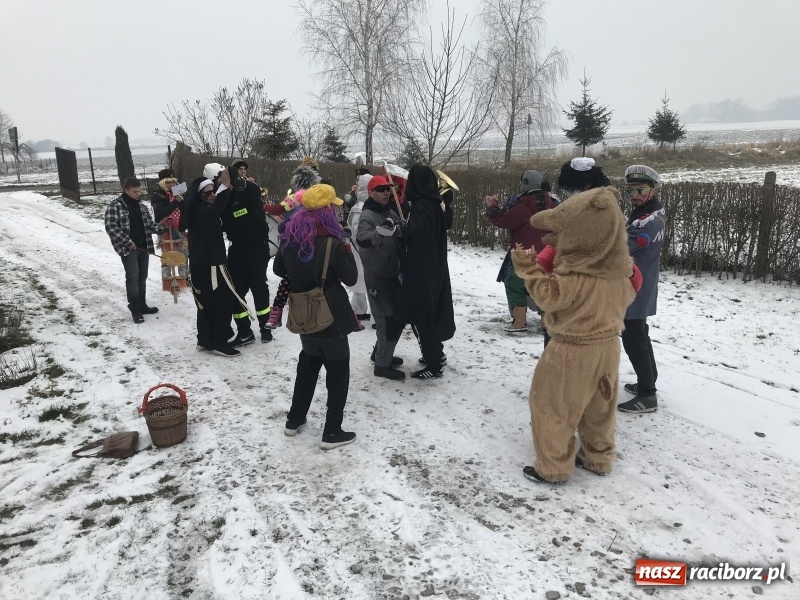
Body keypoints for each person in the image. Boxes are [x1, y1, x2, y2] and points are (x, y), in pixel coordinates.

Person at [511, 187, 636, 484]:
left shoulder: (574, 276)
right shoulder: (621, 271)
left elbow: (547, 298)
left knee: (551, 405)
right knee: (599, 408)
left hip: (572, 350)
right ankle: (598, 457)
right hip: (609, 347)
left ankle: (553, 467)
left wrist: (528, 268)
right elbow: (630, 295)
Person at [273, 184, 359, 450]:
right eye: (332, 206)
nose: (335, 209)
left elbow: (278, 269)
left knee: (308, 366)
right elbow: (352, 278)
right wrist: (346, 248)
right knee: (338, 372)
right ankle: (332, 432)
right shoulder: (332, 243)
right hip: (331, 315)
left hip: (304, 314)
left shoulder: (290, 238)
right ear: (326, 210)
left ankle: (294, 420)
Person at [395, 165, 456, 379]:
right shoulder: (434, 203)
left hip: (421, 267)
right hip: (435, 264)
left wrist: (399, 231)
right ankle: (436, 355)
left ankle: (434, 364)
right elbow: (443, 225)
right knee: (429, 310)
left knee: (422, 314)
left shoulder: (421, 205)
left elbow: (417, 231)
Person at [617, 165, 666, 414]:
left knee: (633, 338)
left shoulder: (647, 221)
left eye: (640, 190)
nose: (634, 195)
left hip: (635, 287)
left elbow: (619, 248)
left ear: (654, 189)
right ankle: (648, 381)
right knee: (640, 334)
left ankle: (648, 395)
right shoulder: (648, 212)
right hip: (640, 283)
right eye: (631, 191)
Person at [183, 165, 245, 357]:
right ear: (199, 195)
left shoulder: (198, 208)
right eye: (208, 193)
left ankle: (205, 339)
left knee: (206, 302)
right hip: (211, 264)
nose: (212, 195)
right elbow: (216, 210)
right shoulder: (201, 211)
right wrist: (225, 186)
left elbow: (219, 206)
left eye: (213, 192)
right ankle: (219, 341)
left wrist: (227, 188)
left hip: (202, 262)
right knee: (222, 302)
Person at [486, 170, 558, 333]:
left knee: (513, 284)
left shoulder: (521, 206)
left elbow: (500, 219)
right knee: (545, 287)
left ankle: (519, 321)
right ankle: (546, 323)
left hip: (524, 258)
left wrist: (492, 207)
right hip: (549, 258)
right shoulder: (554, 204)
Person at [356, 175, 406, 381]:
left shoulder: (388, 211)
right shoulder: (368, 215)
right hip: (377, 276)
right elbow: (362, 239)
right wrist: (380, 232)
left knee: (394, 317)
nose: (386, 193)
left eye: (388, 189)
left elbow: (398, 230)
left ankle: (380, 354)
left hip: (390, 272)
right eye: (381, 190)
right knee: (387, 320)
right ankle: (382, 366)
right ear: (371, 193)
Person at [263, 162, 322, 329]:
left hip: (295, 240)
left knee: (289, 277)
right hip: (317, 239)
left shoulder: (296, 197)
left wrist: (262, 206)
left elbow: (276, 209)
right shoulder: (320, 195)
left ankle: (276, 311)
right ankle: (351, 316)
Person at [221, 159, 273, 345]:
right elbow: (223, 220)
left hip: (256, 247)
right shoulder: (224, 195)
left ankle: (265, 327)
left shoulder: (250, 190)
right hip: (237, 249)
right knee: (235, 291)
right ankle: (244, 331)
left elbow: (248, 212)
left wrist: (232, 214)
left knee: (259, 287)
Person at [104, 177, 160, 323]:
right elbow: (111, 227)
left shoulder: (142, 207)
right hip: (128, 250)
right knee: (133, 278)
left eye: (139, 191)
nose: (138, 194)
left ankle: (142, 305)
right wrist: (127, 242)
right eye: (134, 191)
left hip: (144, 247)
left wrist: (164, 227)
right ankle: (135, 309)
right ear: (126, 190)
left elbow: (150, 225)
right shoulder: (115, 206)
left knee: (142, 278)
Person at [150, 170, 189, 296]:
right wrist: (176, 201)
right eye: (168, 182)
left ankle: (184, 278)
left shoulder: (177, 191)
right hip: (165, 228)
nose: (171, 185)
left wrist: (181, 195)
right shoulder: (157, 195)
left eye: (173, 182)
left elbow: (186, 203)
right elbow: (162, 212)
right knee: (167, 254)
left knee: (183, 253)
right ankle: (167, 280)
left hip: (180, 226)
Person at [346, 173, 372, 321]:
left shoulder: (357, 205)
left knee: (361, 281)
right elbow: (357, 230)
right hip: (364, 249)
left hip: (358, 249)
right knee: (370, 283)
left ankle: (359, 309)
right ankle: (375, 316)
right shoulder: (363, 208)